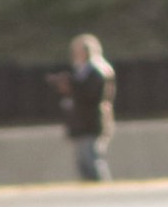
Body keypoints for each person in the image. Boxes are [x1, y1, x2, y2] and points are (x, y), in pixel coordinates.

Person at [47, 34, 116, 182]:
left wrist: (71, 86)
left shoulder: (97, 70)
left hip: (91, 123)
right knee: (83, 163)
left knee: (92, 160)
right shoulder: (82, 71)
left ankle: (103, 191)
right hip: (82, 124)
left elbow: (92, 95)